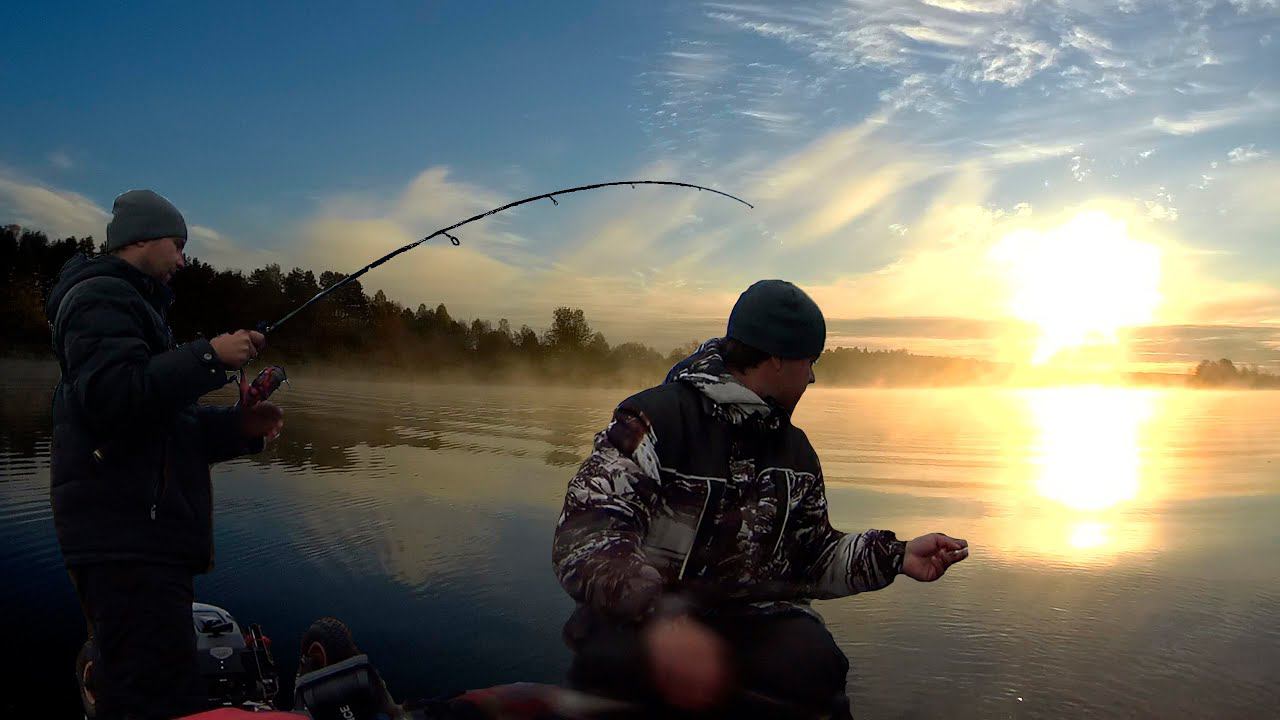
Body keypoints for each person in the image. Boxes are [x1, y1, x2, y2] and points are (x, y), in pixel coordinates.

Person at [552, 279, 969, 718]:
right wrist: (661, 618)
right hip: (641, 623)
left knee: (814, 661)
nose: (812, 376)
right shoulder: (654, 421)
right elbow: (585, 537)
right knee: (616, 658)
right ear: (777, 359)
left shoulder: (796, 452)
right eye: (810, 361)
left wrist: (897, 556)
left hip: (742, 626)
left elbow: (811, 558)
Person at [46, 189, 285, 719]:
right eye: (177, 245)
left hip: (142, 537)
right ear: (142, 239)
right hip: (125, 538)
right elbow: (111, 397)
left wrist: (239, 428)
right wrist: (208, 356)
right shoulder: (100, 297)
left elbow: (159, 427)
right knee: (153, 699)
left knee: (156, 688)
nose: (183, 259)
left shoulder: (137, 309)